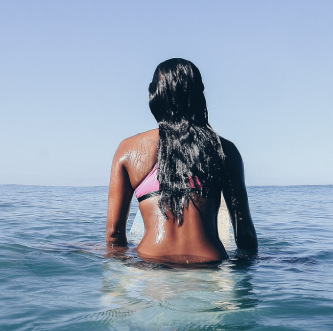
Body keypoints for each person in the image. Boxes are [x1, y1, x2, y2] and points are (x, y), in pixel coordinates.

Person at [106, 58, 257, 265]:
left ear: (155, 95)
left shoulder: (128, 150)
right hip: (209, 264)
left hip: (151, 262)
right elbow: (245, 234)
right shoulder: (225, 150)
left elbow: (114, 235)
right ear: (199, 95)